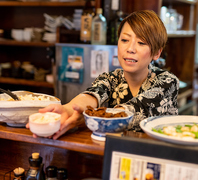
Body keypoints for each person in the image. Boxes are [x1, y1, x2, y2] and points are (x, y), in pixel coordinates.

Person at [26, 10, 179, 139]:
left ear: (157, 53)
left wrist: (86, 118)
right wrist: (68, 110)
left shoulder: (168, 82)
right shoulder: (110, 78)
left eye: (141, 43)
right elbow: (91, 95)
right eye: (125, 40)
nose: (130, 48)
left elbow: (134, 109)